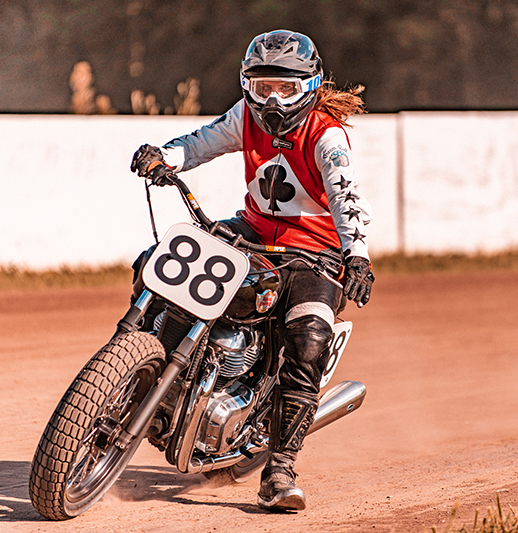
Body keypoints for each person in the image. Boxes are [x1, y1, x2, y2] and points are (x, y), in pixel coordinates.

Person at [130, 29, 374, 512]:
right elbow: (200, 144)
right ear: (247, 85)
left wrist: (358, 255)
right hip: (251, 229)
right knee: (154, 263)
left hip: (315, 250)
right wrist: (166, 156)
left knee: (306, 341)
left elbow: (347, 197)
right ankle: (135, 368)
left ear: (311, 84)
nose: (273, 99)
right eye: (263, 87)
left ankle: (280, 468)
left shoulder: (328, 135)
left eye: (285, 88)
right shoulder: (245, 117)